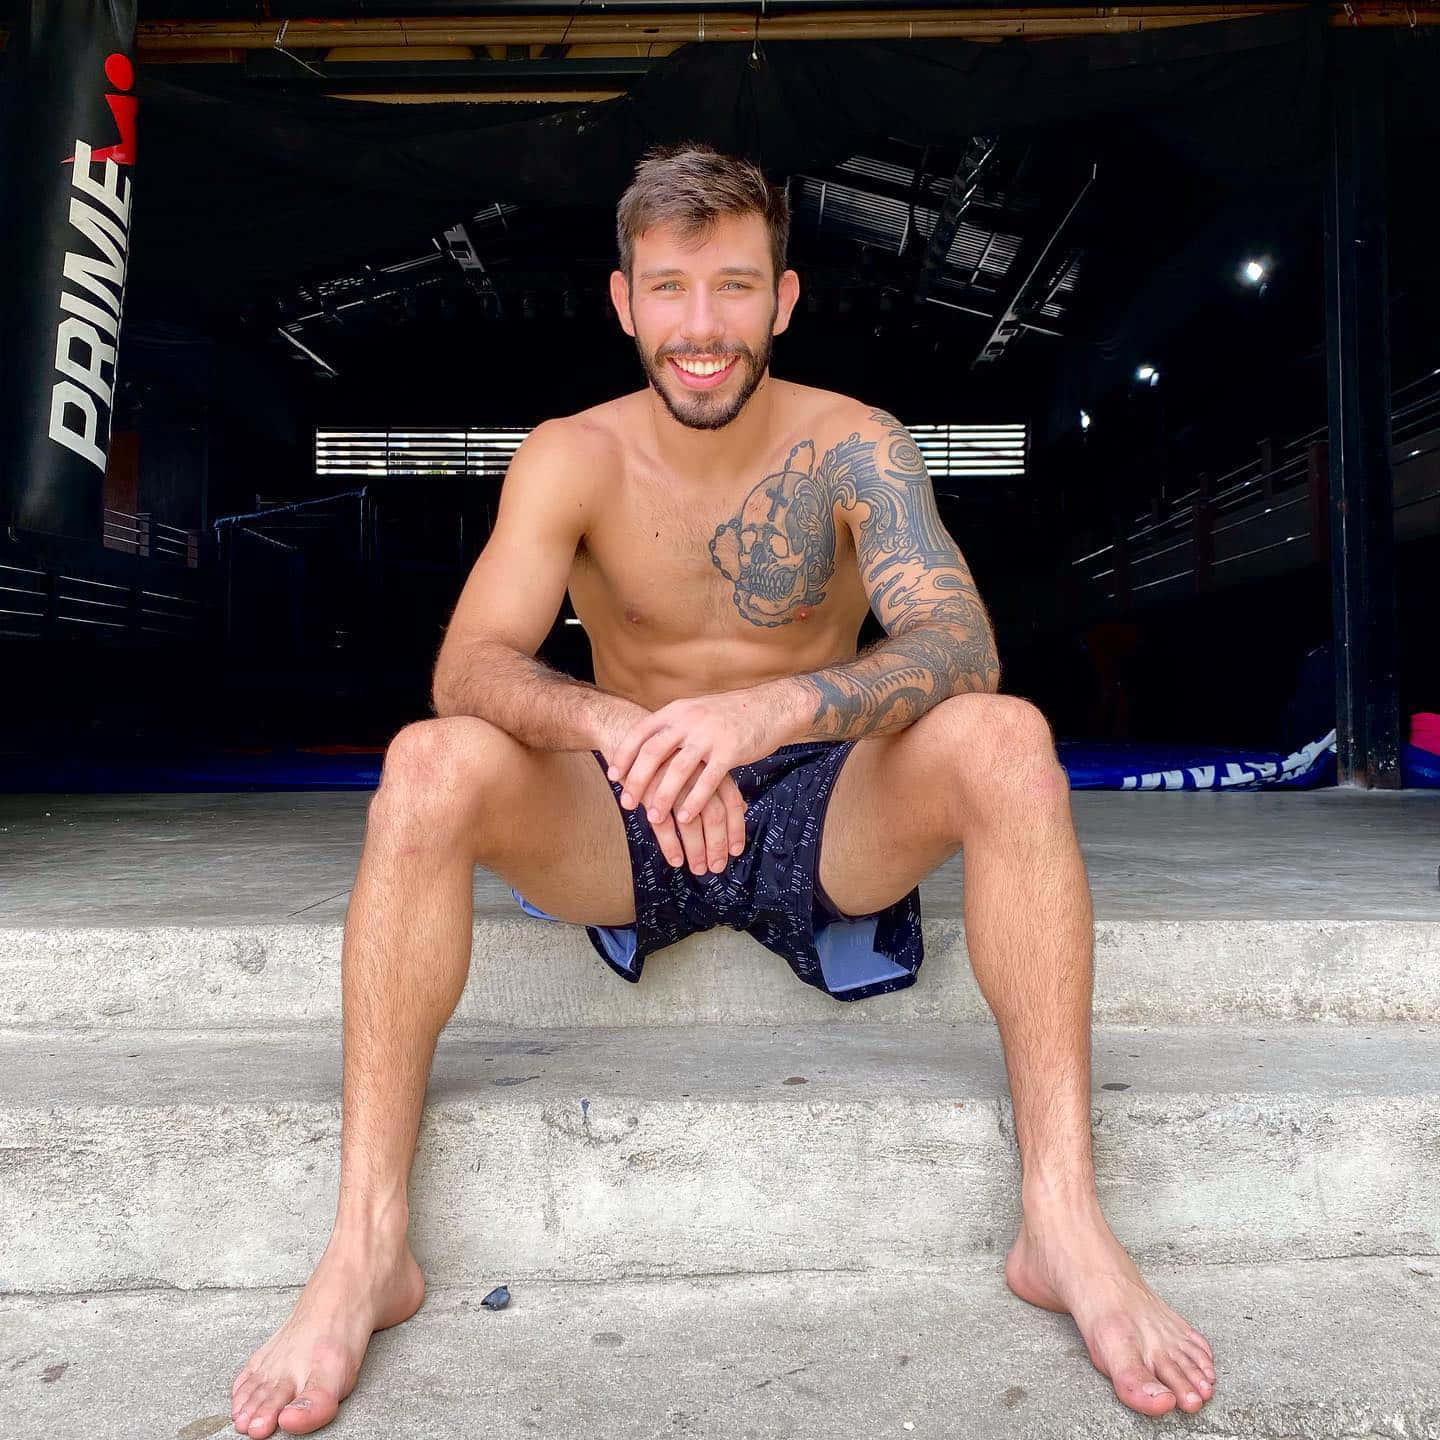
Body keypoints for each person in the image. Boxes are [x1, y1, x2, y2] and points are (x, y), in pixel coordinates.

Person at [229, 143, 1215, 1438]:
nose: (704, 327)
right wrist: (615, 727)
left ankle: (1065, 1224)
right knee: (427, 766)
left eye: (735, 287)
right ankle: (368, 1250)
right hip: (624, 804)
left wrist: (780, 703)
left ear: (785, 299)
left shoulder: (854, 445)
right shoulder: (571, 457)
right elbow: (469, 665)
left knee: (1007, 740)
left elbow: (958, 645)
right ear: (624, 300)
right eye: (673, 289)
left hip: (821, 808)